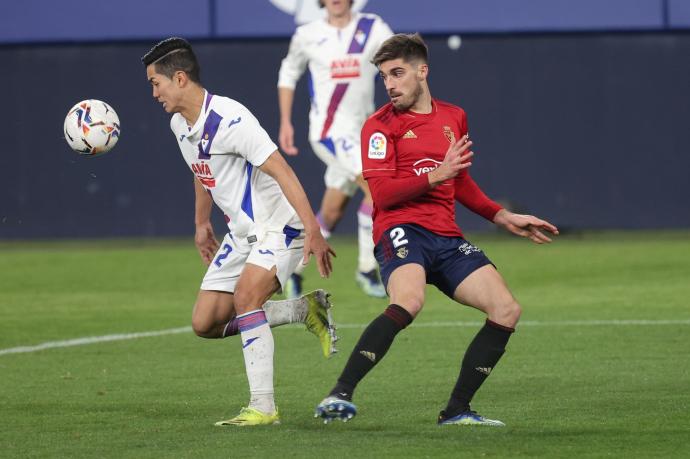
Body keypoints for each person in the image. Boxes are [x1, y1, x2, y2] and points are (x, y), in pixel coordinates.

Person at [314, 33, 559, 426]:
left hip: (445, 237)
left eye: (397, 73)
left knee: (507, 309)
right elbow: (382, 193)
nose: (390, 84)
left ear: (422, 71)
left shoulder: (453, 116)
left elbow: (458, 181)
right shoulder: (378, 127)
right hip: (401, 229)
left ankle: (456, 410)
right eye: (383, 76)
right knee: (408, 301)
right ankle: (338, 394)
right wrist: (435, 174)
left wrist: (501, 216)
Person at [141, 37, 337, 426]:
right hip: (242, 233)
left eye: (155, 83)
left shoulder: (232, 119)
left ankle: (263, 407)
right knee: (205, 323)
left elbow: (281, 170)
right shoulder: (180, 124)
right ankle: (304, 308)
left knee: (247, 298)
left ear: (179, 78)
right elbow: (202, 172)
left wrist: (313, 228)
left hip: (280, 226)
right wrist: (201, 224)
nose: (153, 93)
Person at [277, 0, 393, 298]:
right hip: (329, 133)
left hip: (365, 134)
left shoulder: (372, 27)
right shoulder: (308, 34)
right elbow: (288, 73)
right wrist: (286, 122)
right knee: (376, 188)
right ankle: (367, 269)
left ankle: (292, 272)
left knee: (331, 211)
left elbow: (398, 58)